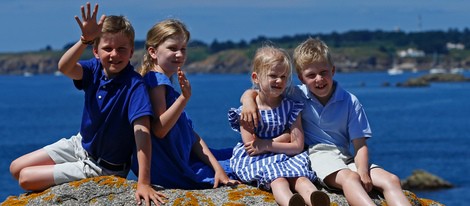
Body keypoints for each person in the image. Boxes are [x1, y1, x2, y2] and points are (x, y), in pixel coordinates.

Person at [9, 3, 166, 205]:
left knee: (25, 178)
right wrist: (84, 39)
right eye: (107, 48)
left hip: (104, 166)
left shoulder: (134, 85)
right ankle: (68, 170)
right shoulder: (94, 70)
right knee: (15, 167)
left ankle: (71, 173)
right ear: (95, 51)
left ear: (131, 52)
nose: (114, 55)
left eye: (121, 49)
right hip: (81, 145)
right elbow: (64, 67)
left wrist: (144, 182)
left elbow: (142, 132)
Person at [240, 38, 411, 206]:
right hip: (318, 155)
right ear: (301, 78)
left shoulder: (350, 101)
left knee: (391, 179)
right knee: (350, 178)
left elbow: (360, 145)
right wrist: (248, 100)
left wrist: (364, 172)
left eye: (324, 72)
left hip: (345, 156)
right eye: (311, 75)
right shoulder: (296, 94)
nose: (319, 79)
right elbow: (263, 91)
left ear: (333, 70)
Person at [133, 18, 239, 189]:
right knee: (248, 162)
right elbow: (160, 129)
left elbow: (190, 134)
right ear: (153, 52)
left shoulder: (159, 79)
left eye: (183, 49)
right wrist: (184, 98)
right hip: (174, 168)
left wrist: (217, 168)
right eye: (172, 48)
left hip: (180, 160)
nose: (180, 54)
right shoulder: (157, 82)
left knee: (238, 155)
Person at [228, 45, 330, 206]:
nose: (279, 81)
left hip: (287, 156)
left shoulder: (291, 107)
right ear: (256, 78)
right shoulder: (247, 112)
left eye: (284, 77)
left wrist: (268, 144)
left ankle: (314, 198)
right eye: (273, 75)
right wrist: (283, 138)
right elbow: (252, 148)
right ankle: (290, 202)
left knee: (301, 178)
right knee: (278, 180)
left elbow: (297, 146)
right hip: (260, 160)